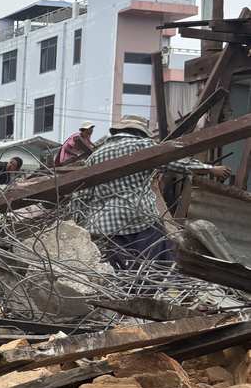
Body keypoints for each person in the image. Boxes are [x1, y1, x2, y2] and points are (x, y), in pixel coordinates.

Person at [75, 113, 231, 272]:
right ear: (139, 132)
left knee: (121, 272)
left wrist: (78, 226)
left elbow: (81, 196)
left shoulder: (95, 157)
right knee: (159, 264)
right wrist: (210, 169)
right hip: (139, 217)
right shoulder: (141, 145)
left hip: (106, 225)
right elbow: (173, 162)